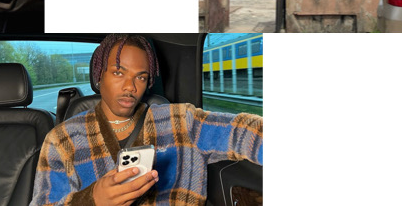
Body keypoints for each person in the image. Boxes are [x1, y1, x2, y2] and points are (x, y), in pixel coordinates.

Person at [30, 34, 263, 205]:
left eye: (140, 77)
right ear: (98, 75)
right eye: (118, 72)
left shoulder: (180, 121)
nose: (131, 86)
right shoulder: (62, 140)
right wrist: (91, 200)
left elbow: (245, 131)